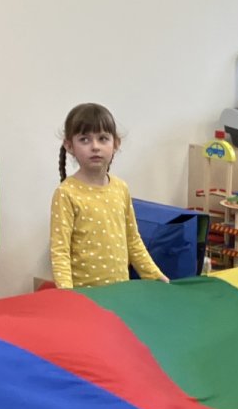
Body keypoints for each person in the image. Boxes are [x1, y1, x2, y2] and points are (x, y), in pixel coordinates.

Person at [48, 102, 167, 289]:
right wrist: (67, 294)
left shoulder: (120, 188)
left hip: (119, 292)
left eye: (103, 138)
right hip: (85, 296)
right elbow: (60, 252)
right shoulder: (66, 193)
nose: (95, 147)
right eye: (84, 140)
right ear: (69, 146)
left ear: (115, 144)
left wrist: (155, 276)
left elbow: (133, 241)